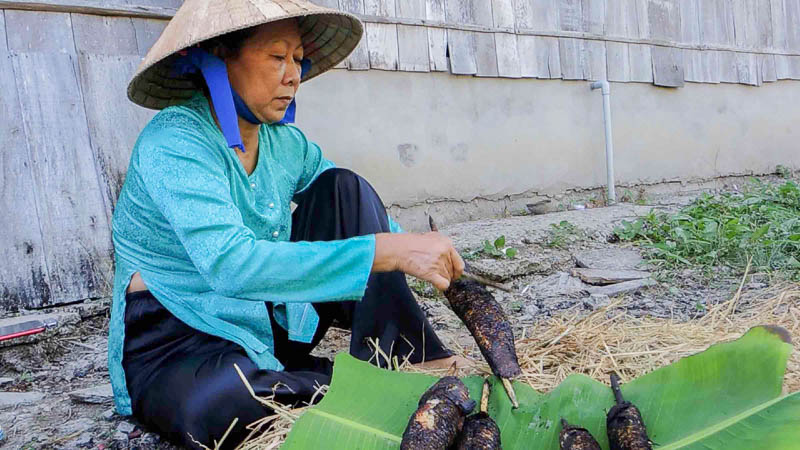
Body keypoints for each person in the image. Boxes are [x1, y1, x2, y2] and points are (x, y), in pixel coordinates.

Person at [109, 0, 469, 447]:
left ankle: (411, 360)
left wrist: (417, 247)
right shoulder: (174, 143)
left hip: (265, 320)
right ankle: (342, 384)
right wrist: (387, 252)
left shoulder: (285, 143)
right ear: (220, 55)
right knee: (222, 404)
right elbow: (232, 266)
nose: (293, 75)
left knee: (345, 187)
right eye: (277, 57)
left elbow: (356, 213)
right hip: (180, 340)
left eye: (298, 59)